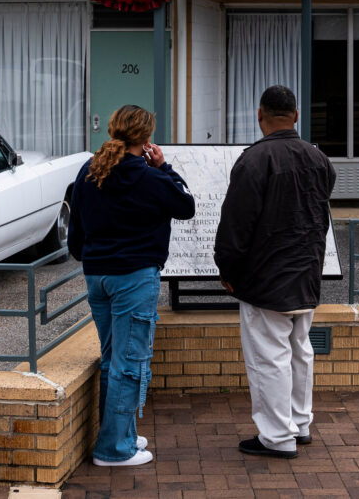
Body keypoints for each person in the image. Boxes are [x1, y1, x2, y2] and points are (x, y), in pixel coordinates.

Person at [68, 104, 195, 467]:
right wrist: (164, 167)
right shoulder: (150, 177)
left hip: (97, 276)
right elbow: (186, 205)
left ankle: (120, 435)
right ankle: (113, 450)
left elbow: (76, 230)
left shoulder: (88, 170)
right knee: (130, 362)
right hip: (134, 277)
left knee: (113, 361)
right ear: (146, 138)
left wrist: (90, 257)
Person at [214, 85, 336, 459]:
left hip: (266, 277)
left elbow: (236, 224)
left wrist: (228, 268)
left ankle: (276, 437)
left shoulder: (254, 160)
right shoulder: (318, 159)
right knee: (301, 351)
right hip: (307, 273)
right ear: (296, 116)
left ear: (259, 114)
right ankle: (300, 425)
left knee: (269, 357)